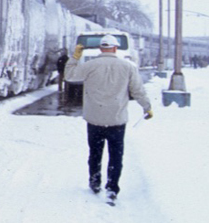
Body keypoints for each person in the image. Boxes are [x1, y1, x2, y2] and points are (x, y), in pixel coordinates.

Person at [63, 34, 153, 204]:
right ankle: (112, 188)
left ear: (101, 48)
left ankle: (95, 183)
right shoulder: (128, 67)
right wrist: (147, 107)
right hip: (117, 120)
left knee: (95, 153)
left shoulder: (89, 65)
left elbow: (69, 76)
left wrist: (75, 58)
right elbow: (138, 91)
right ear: (115, 48)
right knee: (116, 155)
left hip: (94, 118)